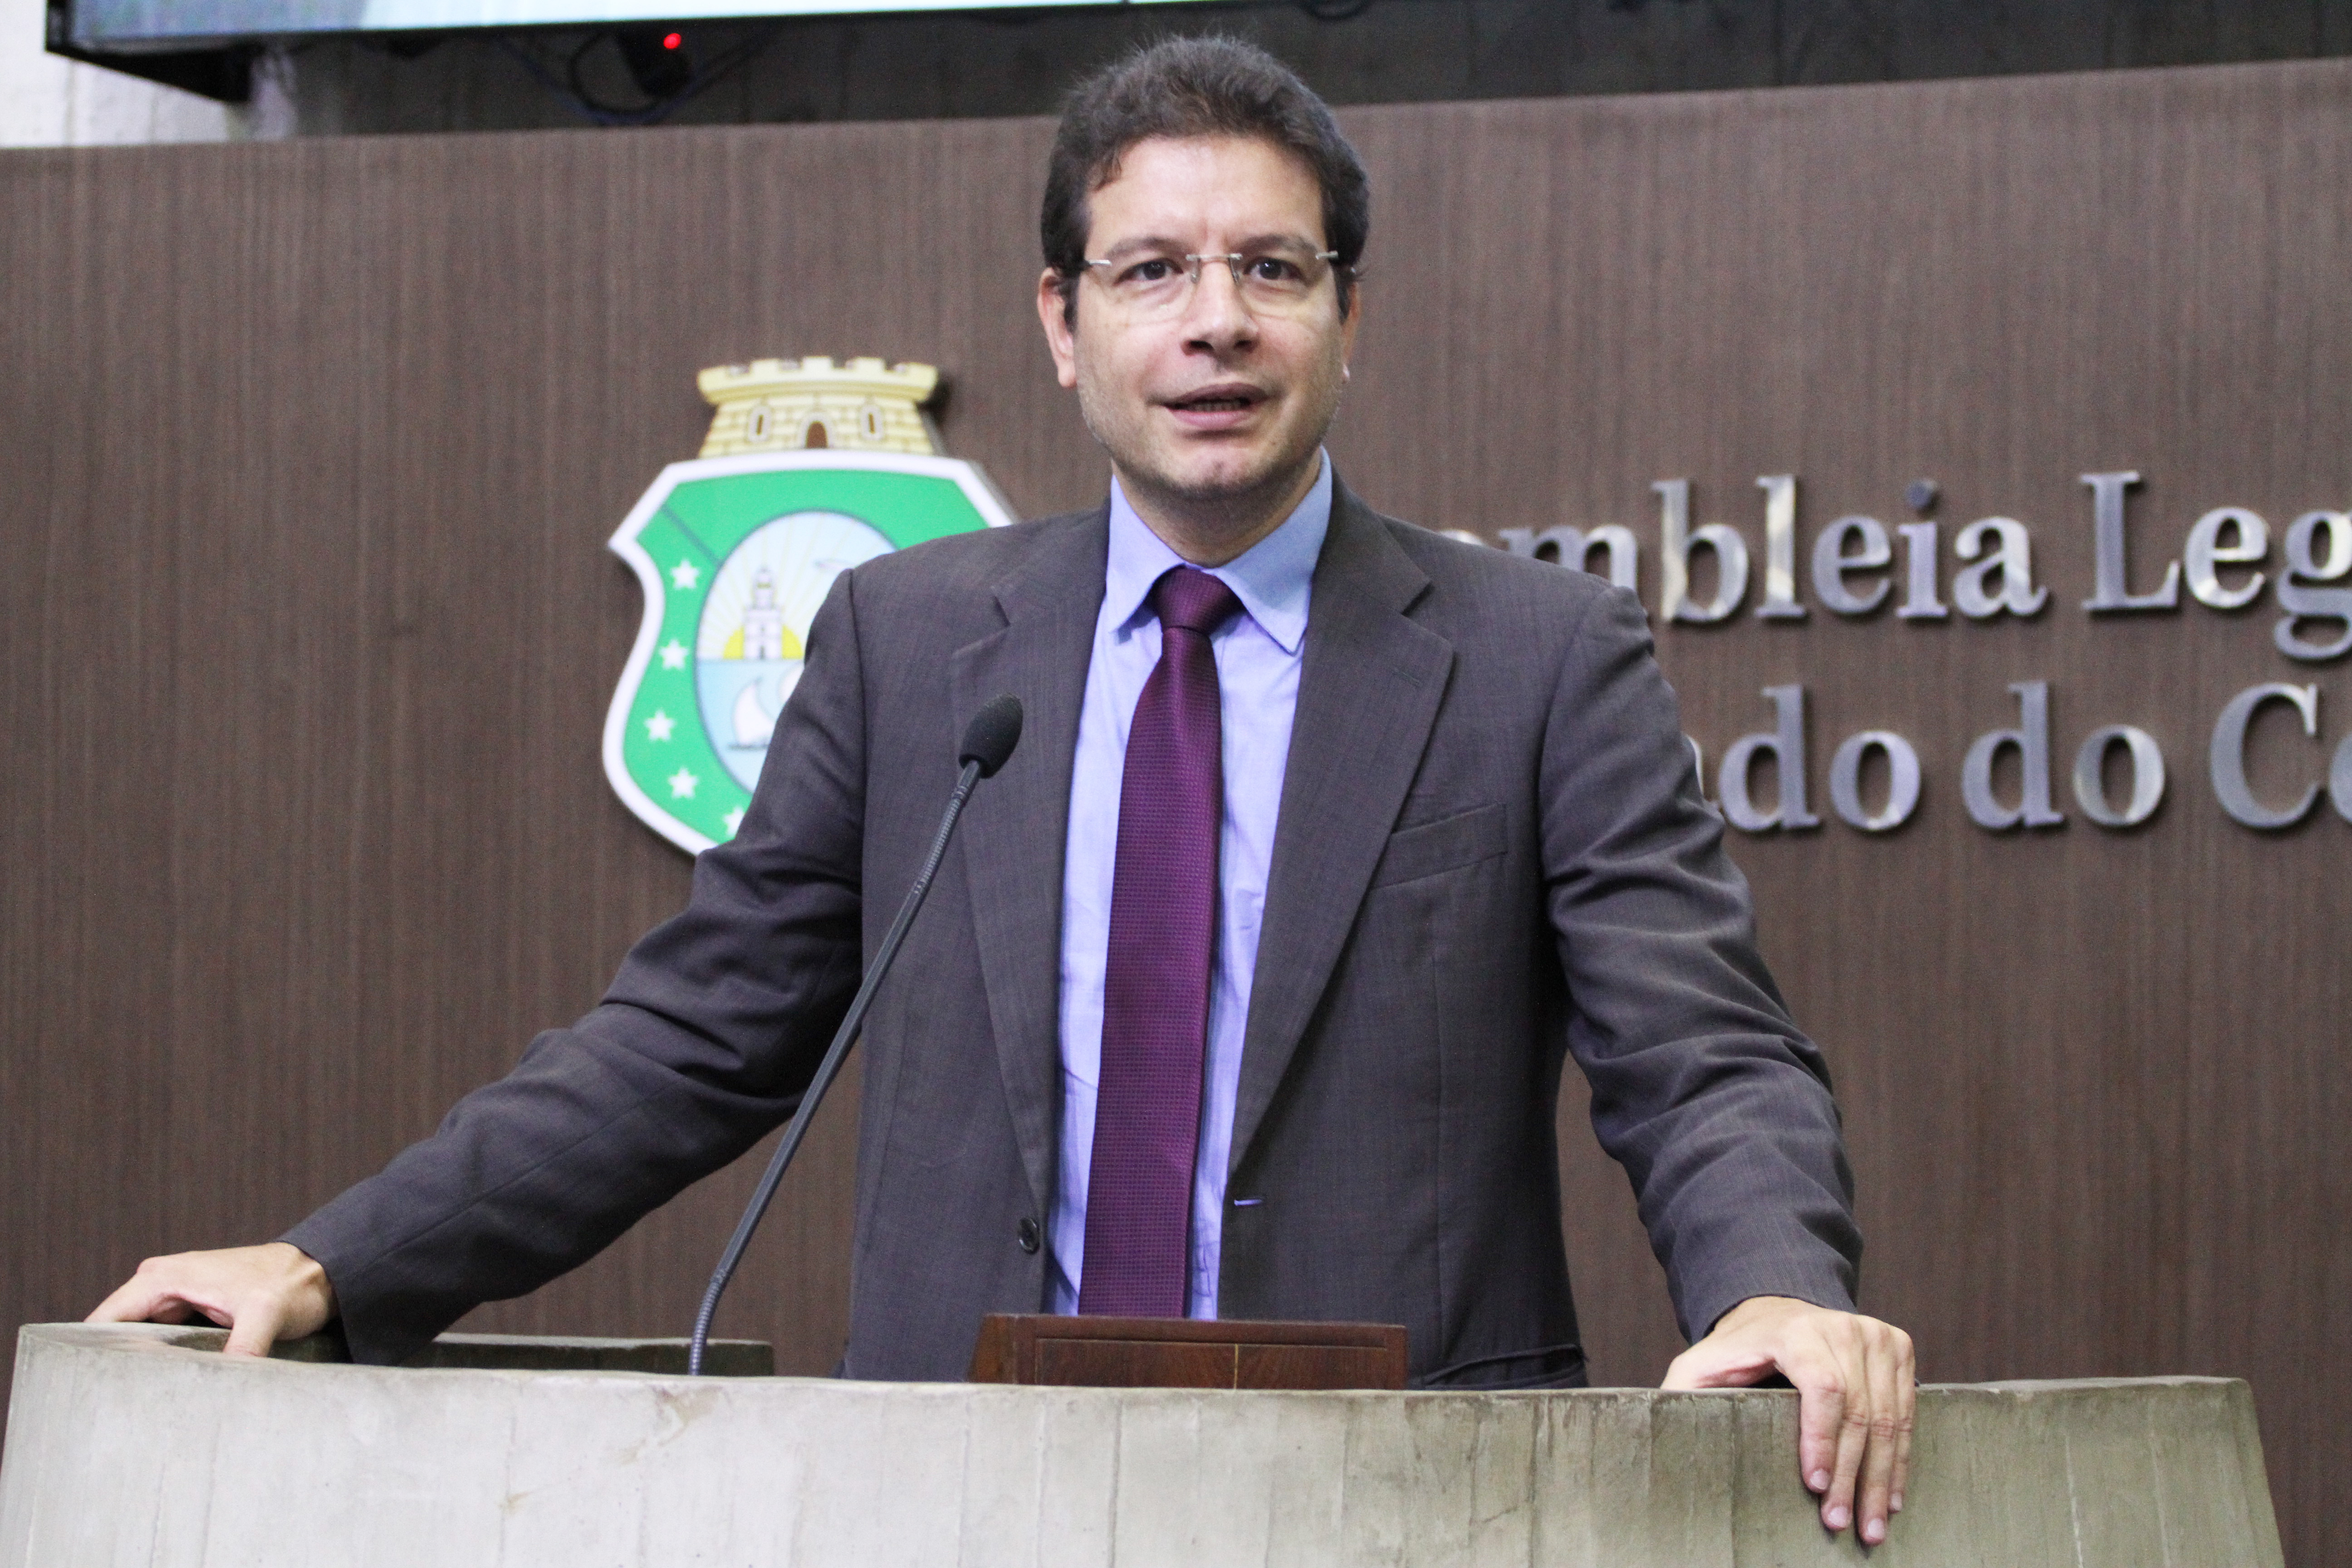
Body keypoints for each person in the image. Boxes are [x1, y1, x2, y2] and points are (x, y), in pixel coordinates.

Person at [93, 36, 1915, 1546]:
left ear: (1350, 316)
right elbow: (692, 1039)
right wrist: (339, 1262)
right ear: (1062, 320)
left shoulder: (1536, 656)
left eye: (1273, 270)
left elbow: (1701, 1049)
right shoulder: (910, 646)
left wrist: (1775, 1287)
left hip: (1401, 1502)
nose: (1216, 322)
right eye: (1153, 270)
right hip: (960, 1500)